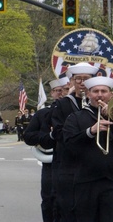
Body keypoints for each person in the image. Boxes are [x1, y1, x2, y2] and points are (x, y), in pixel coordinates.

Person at [48, 62, 98, 222]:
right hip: (68, 165)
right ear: (72, 82)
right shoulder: (62, 104)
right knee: (66, 208)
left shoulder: (100, 105)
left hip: (92, 166)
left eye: (86, 79)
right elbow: (58, 133)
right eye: (78, 79)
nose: (82, 83)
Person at [62, 76, 113, 222]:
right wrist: (90, 131)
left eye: (104, 91)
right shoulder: (76, 118)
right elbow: (68, 144)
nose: (100, 95)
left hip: (110, 181)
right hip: (85, 181)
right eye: (95, 91)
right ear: (89, 94)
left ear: (110, 95)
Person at [23, 76, 68, 222]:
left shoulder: (77, 111)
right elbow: (28, 136)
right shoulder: (43, 114)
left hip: (72, 163)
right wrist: (47, 137)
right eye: (56, 90)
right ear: (52, 94)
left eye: (64, 90)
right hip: (50, 163)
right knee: (49, 200)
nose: (60, 93)